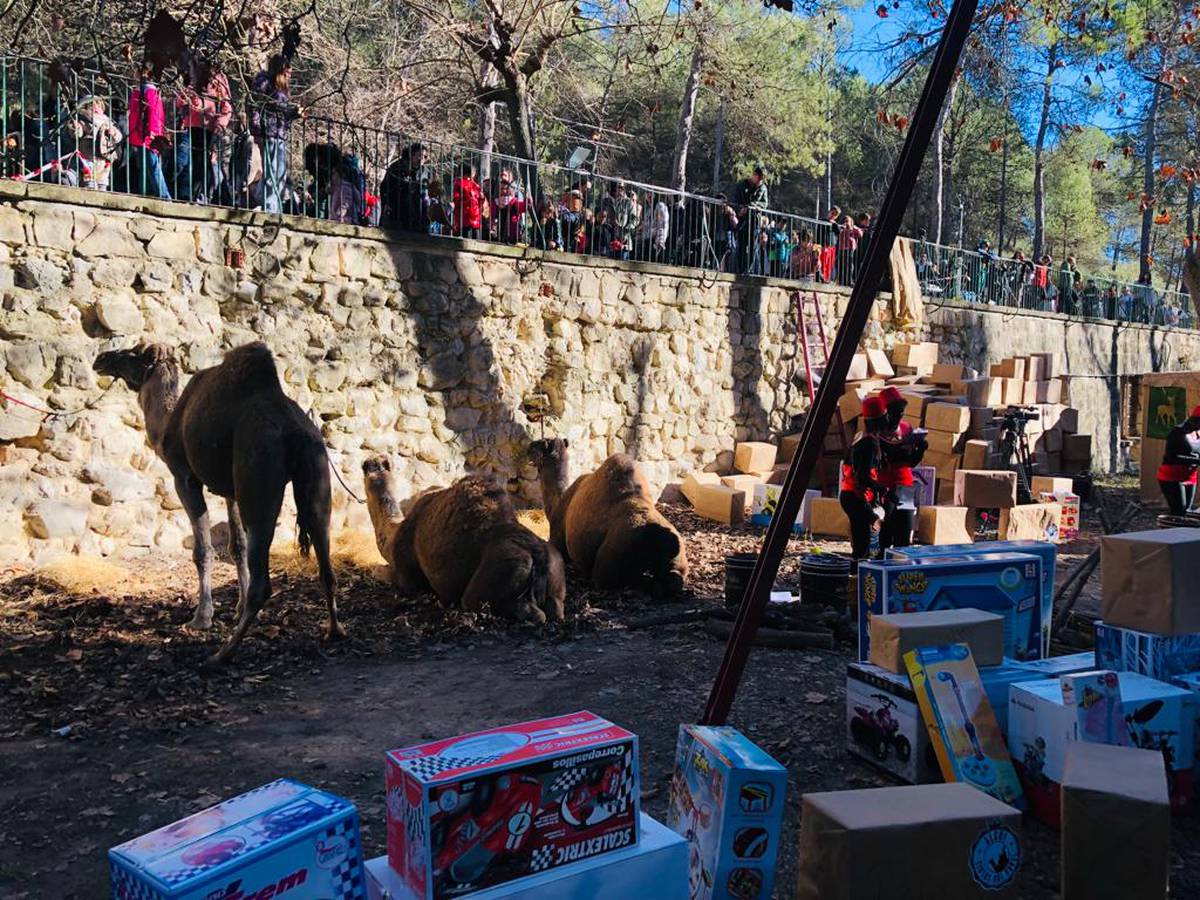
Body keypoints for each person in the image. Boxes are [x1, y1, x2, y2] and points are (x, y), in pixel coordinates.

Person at [876, 387, 928, 553]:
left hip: (904, 484)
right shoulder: (876, 434)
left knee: (904, 532)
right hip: (885, 484)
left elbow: (911, 463)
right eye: (895, 412)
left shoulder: (906, 428)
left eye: (901, 413)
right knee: (886, 530)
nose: (899, 416)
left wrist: (920, 449)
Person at [250, 54, 304, 214]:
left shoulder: (281, 88)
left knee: (280, 173)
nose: (290, 73)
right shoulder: (265, 82)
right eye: (287, 69)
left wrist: (294, 113)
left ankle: (274, 205)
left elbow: (281, 114)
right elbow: (255, 106)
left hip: (279, 134)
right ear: (280, 68)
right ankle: (270, 207)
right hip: (268, 133)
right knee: (272, 171)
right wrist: (257, 130)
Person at [840, 395, 889, 566]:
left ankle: (855, 577)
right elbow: (863, 476)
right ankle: (857, 581)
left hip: (850, 495)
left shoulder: (860, 437)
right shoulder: (869, 444)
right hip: (855, 497)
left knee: (860, 544)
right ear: (879, 420)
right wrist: (880, 488)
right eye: (885, 417)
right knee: (862, 547)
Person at [174, 61, 232, 203]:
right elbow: (180, 100)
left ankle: (195, 196)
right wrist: (190, 99)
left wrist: (220, 125)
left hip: (208, 128)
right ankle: (182, 194)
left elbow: (227, 107)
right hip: (189, 125)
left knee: (201, 163)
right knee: (183, 160)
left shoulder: (220, 80)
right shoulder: (195, 76)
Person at [128, 62, 171, 199]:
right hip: (140, 133)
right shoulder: (140, 90)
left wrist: (152, 132)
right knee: (146, 166)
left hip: (146, 135)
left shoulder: (149, 90)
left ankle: (164, 196)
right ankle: (147, 193)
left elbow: (154, 113)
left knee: (153, 166)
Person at [70, 95, 122, 190]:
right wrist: (76, 128)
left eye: (98, 105)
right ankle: (90, 192)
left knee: (103, 180)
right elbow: (78, 134)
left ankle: (102, 193)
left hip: (104, 157)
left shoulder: (108, 122)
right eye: (92, 106)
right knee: (89, 179)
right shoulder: (85, 120)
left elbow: (119, 137)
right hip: (89, 156)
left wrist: (113, 133)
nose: (96, 108)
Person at [1157, 406, 1200, 516]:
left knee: (1187, 512)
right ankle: (1171, 532)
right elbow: (1172, 457)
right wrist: (1196, 460)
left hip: (1190, 477)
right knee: (1178, 511)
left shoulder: (1198, 433)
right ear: (1194, 420)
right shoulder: (1177, 433)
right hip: (1172, 476)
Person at [733, 165, 769, 274]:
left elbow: (765, 203)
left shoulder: (763, 188)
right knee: (742, 245)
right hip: (743, 220)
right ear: (754, 175)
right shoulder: (742, 185)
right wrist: (739, 210)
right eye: (758, 177)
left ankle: (748, 270)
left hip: (754, 221)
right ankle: (740, 269)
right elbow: (736, 200)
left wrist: (754, 206)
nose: (760, 180)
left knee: (752, 247)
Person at [452, 163, 484, 239]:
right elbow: (456, 199)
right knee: (468, 236)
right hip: (466, 216)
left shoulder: (475, 185)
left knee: (473, 236)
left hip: (473, 215)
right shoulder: (459, 183)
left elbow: (480, 198)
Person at [835, 214, 864, 286]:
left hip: (850, 248)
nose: (846, 223)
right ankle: (841, 280)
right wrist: (843, 227)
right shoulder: (842, 228)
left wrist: (852, 227)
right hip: (842, 248)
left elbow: (860, 234)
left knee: (849, 265)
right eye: (845, 221)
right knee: (841, 264)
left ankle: (849, 280)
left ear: (851, 222)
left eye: (848, 221)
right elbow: (838, 233)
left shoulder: (853, 228)